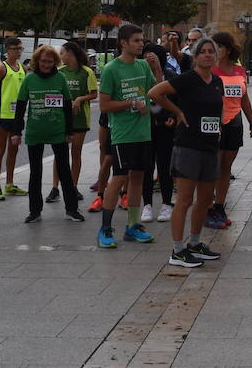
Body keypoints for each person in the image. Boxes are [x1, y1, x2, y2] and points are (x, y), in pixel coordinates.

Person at [150, 36, 224, 267]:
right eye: (203, 51)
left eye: (211, 51)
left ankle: (194, 243)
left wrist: (219, 127)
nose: (207, 55)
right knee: (183, 199)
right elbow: (155, 93)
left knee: (204, 200)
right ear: (195, 55)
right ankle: (177, 250)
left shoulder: (216, 81)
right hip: (188, 146)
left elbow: (217, 109)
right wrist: (177, 112)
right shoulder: (188, 79)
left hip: (210, 146)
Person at [96, 24, 157, 249]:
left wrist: (157, 68)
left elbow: (155, 91)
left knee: (138, 178)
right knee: (119, 178)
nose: (141, 44)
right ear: (123, 43)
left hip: (144, 132)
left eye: (142, 40)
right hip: (123, 134)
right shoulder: (112, 69)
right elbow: (104, 105)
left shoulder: (143, 65)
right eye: (136, 40)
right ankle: (105, 228)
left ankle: (133, 226)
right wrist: (132, 103)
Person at [15, 45, 83, 223]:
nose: (46, 64)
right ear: (37, 61)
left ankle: (72, 209)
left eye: (50, 61)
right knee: (35, 173)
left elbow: (68, 106)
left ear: (55, 62)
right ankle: (34, 211)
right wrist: (17, 131)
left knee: (64, 171)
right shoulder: (29, 80)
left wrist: (69, 132)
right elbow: (21, 106)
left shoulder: (60, 78)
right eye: (43, 61)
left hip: (58, 132)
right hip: (35, 132)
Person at [206, 32, 252, 228]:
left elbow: (244, 99)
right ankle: (207, 208)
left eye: (217, 48)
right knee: (214, 166)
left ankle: (219, 206)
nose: (213, 52)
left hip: (235, 122)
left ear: (227, 49)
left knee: (226, 168)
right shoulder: (208, 70)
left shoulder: (239, 70)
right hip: (214, 123)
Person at [47, 42, 97, 206]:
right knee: (59, 154)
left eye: (62, 53)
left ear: (70, 53)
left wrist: (80, 99)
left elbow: (93, 94)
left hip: (80, 118)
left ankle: (73, 186)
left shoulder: (86, 72)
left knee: (76, 153)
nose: (60, 56)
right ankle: (55, 187)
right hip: (61, 119)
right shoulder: (59, 72)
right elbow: (52, 92)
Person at [0, 37, 28, 199]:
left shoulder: (23, 68)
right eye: (15, 49)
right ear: (8, 50)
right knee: (0, 149)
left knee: (14, 150)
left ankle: (9, 184)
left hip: (17, 116)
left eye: (20, 48)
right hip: (3, 115)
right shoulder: (1, 69)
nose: (18, 51)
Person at [147, 43, 180, 221]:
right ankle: (147, 205)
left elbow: (173, 100)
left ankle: (166, 204)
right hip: (145, 127)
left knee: (164, 166)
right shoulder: (141, 76)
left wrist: (172, 117)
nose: (147, 59)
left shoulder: (171, 76)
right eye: (145, 55)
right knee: (147, 167)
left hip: (165, 128)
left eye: (151, 56)